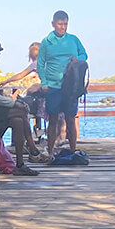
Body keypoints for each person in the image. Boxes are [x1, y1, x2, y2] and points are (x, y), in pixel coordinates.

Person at [0, 36, 44, 175]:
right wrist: (14, 103)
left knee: (18, 121)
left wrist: (14, 103)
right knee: (21, 111)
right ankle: (32, 148)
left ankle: (20, 164)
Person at [36, 10, 88, 157]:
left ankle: (73, 151)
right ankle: (50, 151)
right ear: (53, 24)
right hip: (53, 86)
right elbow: (40, 64)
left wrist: (77, 59)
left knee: (70, 119)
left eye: (65, 24)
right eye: (60, 24)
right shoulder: (47, 42)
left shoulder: (73, 39)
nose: (63, 27)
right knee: (52, 120)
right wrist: (44, 83)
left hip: (70, 87)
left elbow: (84, 55)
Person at [0, 42, 44, 138]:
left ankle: (32, 135)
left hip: (45, 92)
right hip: (51, 91)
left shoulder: (37, 64)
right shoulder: (47, 63)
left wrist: (6, 81)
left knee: (24, 106)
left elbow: (21, 75)